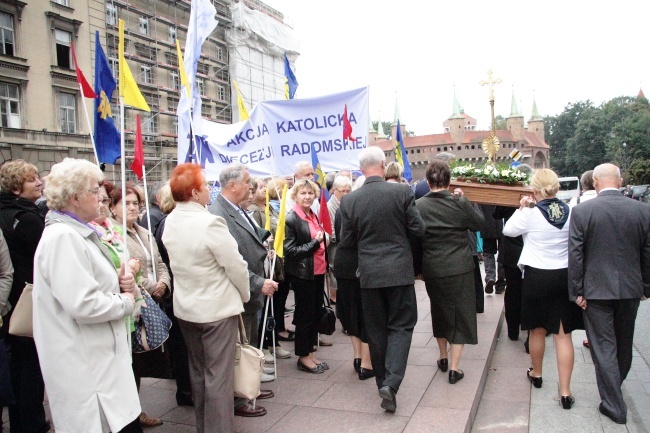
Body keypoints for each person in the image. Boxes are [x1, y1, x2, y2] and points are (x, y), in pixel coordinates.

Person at [32, 158, 142, 432]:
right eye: (95, 190)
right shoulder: (63, 237)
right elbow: (83, 304)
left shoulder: (80, 231)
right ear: (75, 196)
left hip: (102, 367)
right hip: (89, 372)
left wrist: (116, 281)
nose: (101, 197)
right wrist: (125, 302)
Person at [162, 163, 250, 433]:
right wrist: (244, 294)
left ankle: (205, 427)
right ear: (193, 193)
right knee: (218, 379)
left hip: (187, 309)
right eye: (205, 186)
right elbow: (235, 265)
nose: (208, 191)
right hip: (216, 311)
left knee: (199, 375)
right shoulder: (209, 221)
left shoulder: (170, 220)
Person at [338, 146, 425, 412]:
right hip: (399, 271)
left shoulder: (349, 200)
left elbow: (346, 241)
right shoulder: (401, 191)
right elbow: (418, 228)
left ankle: (382, 384)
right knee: (401, 325)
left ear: (361, 169)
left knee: (375, 329)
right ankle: (392, 381)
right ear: (384, 164)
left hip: (369, 274)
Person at [568, 163, 650, 424]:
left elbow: (576, 254)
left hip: (595, 290)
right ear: (621, 180)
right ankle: (614, 391)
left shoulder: (582, 211)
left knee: (603, 347)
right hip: (630, 289)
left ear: (595, 183)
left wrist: (576, 290)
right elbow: (647, 252)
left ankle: (614, 405)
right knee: (624, 343)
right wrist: (646, 286)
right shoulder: (643, 210)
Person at [503, 168, 583, 410]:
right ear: (557, 188)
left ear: (535, 190)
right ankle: (566, 392)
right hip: (563, 276)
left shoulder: (530, 214)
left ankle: (537, 374)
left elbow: (508, 231)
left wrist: (521, 207)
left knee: (536, 331)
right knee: (563, 335)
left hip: (537, 277)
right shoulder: (571, 212)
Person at [208, 163, 277, 417]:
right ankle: (238, 398)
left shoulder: (237, 209)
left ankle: (249, 388)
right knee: (239, 349)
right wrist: (259, 283)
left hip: (250, 290)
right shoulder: (219, 214)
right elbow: (230, 261)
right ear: (232, 185)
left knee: (248, 342)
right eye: (247, 181)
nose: (251, 186)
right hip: (240, 290)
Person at [415, 160, 484, 384]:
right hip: (460, 267)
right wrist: (464, 200)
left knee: (440, 311)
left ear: (427, 181)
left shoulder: (419, 206)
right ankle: (454, 368)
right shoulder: (458, 203)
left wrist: (418, 269)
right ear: (449, 181)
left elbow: (414, 238)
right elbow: (478, 224)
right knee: (461, 315)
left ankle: (443, 357)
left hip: (432, 268)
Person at [110, 184, 172, 428]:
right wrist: (150, 285)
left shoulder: (143, 232)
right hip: (134, 301)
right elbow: (127, 269)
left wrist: (164, 284)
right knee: (130, 361)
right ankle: (129, 413)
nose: (132, 207)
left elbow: (159, 261)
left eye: (135, 203)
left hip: (153, 297)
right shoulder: (112, 234)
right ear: (113, 208)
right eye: (125, 203)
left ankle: (135, 409)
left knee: (141, 359)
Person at [0, 160, 50, 433]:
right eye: (32, 180)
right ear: (18, 189)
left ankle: (21, 423)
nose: (39, 183)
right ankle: (32, 425)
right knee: (31, 369)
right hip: (29, 301)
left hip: (11, 304)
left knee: (17, 368)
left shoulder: (7, 212)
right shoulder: (27, 218)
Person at [153, 183, 194, 407]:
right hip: (177, 290)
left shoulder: (167, 222)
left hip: (178, 289)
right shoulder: (169, 223)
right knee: (181, 343)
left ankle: (186, 387)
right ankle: (186, 390)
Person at [284, 179, 330, 374]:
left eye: (310, 193)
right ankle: (303, 357)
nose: (307, 196)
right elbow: (289, 250)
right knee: (304, 316)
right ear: (295, 196)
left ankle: (310, 352)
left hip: (317, 271)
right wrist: (315, 242)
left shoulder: (312, 214)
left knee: (313, 313)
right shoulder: (291, 218)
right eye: (303, 193)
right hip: (303, 275)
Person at [333, 176, 374, 380]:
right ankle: (366, 363)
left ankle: (358, 357)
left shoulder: (342, 210)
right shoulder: (367, 210)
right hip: (362, 265)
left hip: (344, 265)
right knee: (367, 313)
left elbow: (339, 236)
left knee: (351, 312)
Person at [568, 170, 597, 349]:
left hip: (583, 255)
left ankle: (590, 334)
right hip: (600, 255)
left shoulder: (576, 203)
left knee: (588, 299)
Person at [326, 175, 353, 306]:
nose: (347, 193)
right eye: (344, 191)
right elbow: (330, 229)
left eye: (349, 191)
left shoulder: (348, 203)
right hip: (335, 245)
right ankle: (335, 297)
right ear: (335, 190)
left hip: (345, 243)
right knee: (335, 271)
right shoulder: (329, 206)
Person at [479, 204, 506, 294]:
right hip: (502, 224)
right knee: (502, 253)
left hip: (487, 223)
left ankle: (490, 277)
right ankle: (501, 284)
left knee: (488, 253)